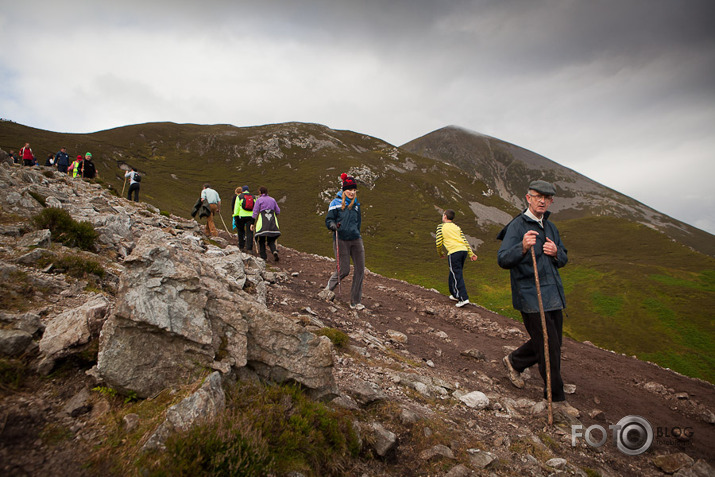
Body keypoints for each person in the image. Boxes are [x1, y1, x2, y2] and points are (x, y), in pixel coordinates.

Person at [497, 180, 568, 403]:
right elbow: (503, 259)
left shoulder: (551, 227)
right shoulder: (517, 226)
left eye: (547, 198)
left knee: (552, 343)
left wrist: (556, 252)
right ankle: (556, 400)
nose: (543, 201)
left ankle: (515, 361)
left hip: (553, 295)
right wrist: (523, 247)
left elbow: (564, 258)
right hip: (531, 296)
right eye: (538, 197)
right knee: (549, 347)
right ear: (528, 198)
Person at [323, 173, 365, 310]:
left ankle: (355, 301)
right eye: (349, 189)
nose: (352, 192)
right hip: (341, 239)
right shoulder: (335, 204)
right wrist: (332, 225)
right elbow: (329, 220)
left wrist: (356, 233)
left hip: (356, 239)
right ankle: (327, 290)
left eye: (354, 190)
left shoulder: (356, 205)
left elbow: (358, 222)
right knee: (344, 270)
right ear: (344, 189)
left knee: (360, 269)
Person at [435, 209, 478, 307]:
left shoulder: (440, 227)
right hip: (463, 251)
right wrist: (471, 253)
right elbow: (464, 240)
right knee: (454, 272)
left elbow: (438, 243)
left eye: (443, 215)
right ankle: (455, 294)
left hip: (454, 252)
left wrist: (440, 253)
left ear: (445, 216)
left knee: (456, 274)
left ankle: (463, 298)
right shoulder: (456, 227)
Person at [251, 186, 280, 260]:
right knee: (271, 239)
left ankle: (263, 257)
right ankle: (274, 251)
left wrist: (252, 223)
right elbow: (278, 211)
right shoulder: (272, 199)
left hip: (263, 220)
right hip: (272, 220)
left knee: (261, 239)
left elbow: (255, 212)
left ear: (260, 192)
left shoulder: (259, 200)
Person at [231, 185, 255, 252]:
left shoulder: (240, 197)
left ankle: (241, 246)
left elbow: (237, 208)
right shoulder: (253, 197)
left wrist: (235, 216)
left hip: (241, 216)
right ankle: (249, 248)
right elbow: (255, 208)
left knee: (240, 231)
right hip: (250, 217)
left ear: (242, 190)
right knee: (249, 232)